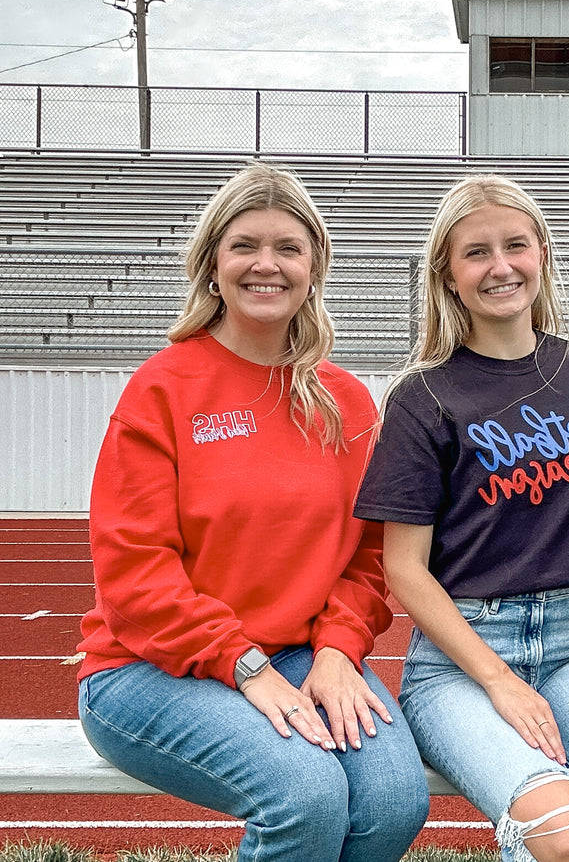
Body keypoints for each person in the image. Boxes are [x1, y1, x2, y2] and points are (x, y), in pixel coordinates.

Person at [77, 162, 430, 862]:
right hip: (148, 669)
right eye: (244, 246)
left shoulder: (345, 400)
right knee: (304, 797)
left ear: (313, 267)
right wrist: (243, 666)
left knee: (393, 801)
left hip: (301, 656)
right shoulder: (164, 388)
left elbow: (367, 558)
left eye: (287, 248)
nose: (264, 265)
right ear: (213, 264)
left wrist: (337, 651)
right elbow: (134, 573)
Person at [353, 175, 569, 862]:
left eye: (514, 246)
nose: (500, 267)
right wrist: (500, 682)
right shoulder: (422, 395)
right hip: (463, 661)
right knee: (559, 835)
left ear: (542, 253)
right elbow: (404, 569)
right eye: (475, 253)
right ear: (447, 274)